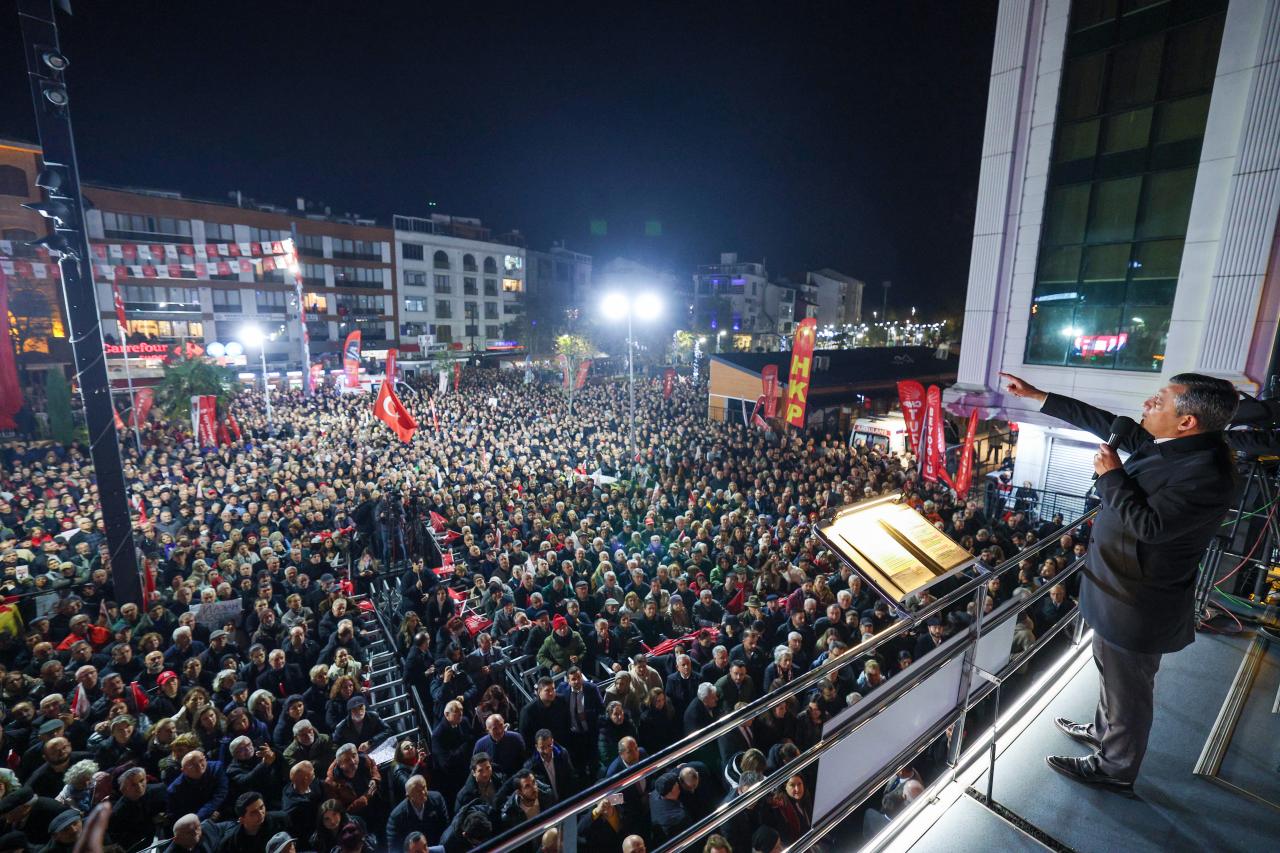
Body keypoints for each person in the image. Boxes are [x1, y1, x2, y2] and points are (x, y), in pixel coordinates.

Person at [1002, 371, 1239, 790]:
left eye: (1159, 401)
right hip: (1116, 589)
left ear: (1187, 421)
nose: (1147, 404)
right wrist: (1038, 396)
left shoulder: (1208, 472)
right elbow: (1105, 421)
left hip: (1138, 601)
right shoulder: (1176, 444)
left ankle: (1115, 769)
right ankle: (1103, 732)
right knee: (1111, 674)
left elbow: (1150, 526)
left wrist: (1112, 476)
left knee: (1128, 691)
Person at [385, 775, 450, 850]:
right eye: (418, 791)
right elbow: (394, 848)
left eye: (424, 787)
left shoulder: (437, 800)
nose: (423, 793)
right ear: (408, 796)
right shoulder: (397, 816)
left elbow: (445, 829)